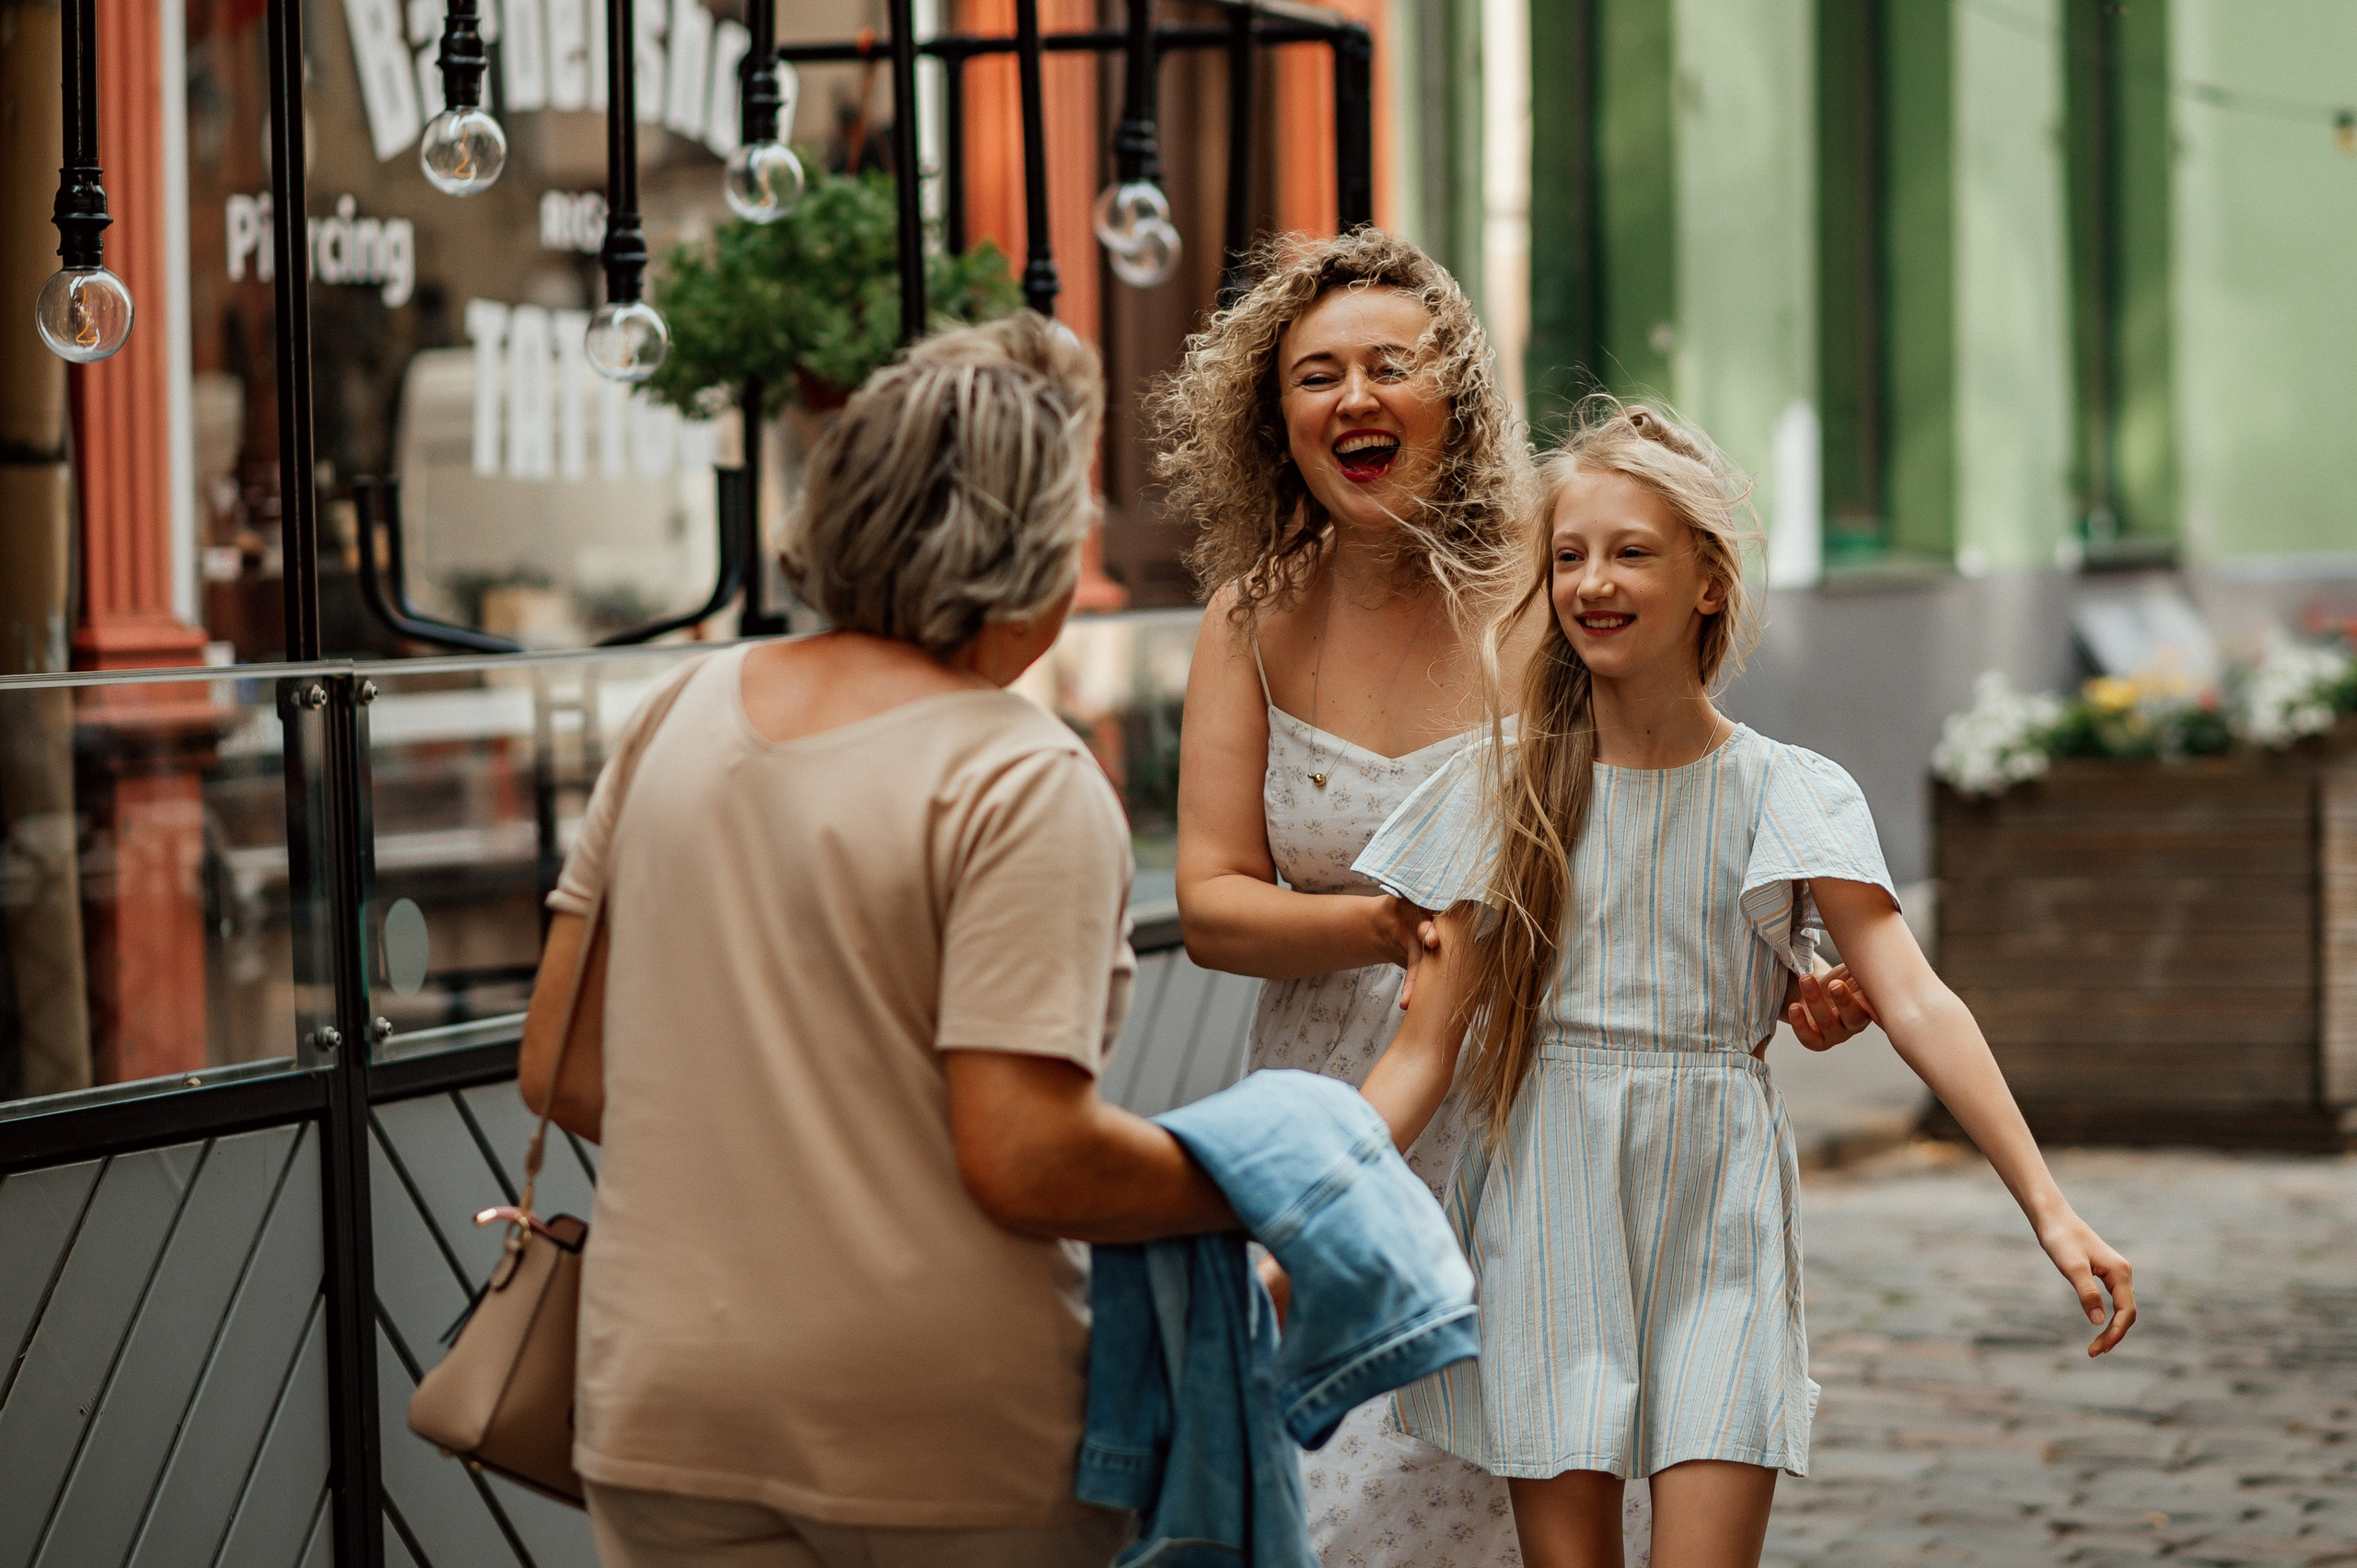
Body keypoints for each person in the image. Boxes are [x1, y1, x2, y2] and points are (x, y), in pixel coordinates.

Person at [1163, 230, 1880, 1568]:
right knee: (1323, 1516)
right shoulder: (1246, 617)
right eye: (1318, 375)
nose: (1355, 398)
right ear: (1276, 418)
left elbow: (1664, 816)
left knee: (1496, 1518)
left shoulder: (1553, 593)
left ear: (1460, 396)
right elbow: (1211, 904)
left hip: (1542, 1124)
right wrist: (1394, 922)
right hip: (1341, 1119)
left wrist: (1784, 971)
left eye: (1392, 364)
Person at [1353, 400, 2139, 1568]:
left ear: (1709, 583)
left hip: (1718, 1210)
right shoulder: (1502, 792)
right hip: (1547, 1201)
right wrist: (1295, 1215)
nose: (1592, 582)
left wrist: (2048, 1205)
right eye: (1568, 555)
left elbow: (1916, 1000)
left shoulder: (1789, 790)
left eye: (1631, 552)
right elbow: (1421, 1052)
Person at [517, 313, 1247, 1568]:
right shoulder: (1021, 774)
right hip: (943, 1431)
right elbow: (1025, 1157)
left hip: (667, 1403)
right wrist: (1254, 1182)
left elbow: (560, 1068)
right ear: (1025, 557)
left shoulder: (676, 712)